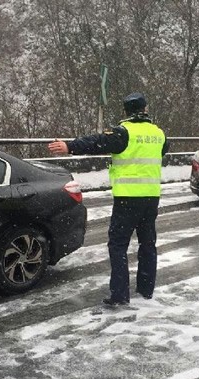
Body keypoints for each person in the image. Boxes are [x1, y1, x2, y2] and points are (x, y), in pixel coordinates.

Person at [48, 93, 168, 307]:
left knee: (118, 245)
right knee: (148, 243)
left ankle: (120, 294)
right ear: (145, 109)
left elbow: (97, 142)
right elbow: (164, 151)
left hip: (127, 198)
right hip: (151, 197)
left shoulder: (123, 132)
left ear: (126, 111)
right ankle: (146, 289)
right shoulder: (158, 133)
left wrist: (70, 146)